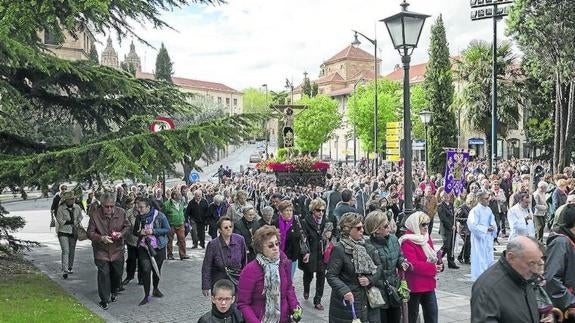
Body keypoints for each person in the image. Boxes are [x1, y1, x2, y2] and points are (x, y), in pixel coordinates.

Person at [470, 236, 551, 323]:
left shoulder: (526, 276)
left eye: (537, 263)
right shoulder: (488, 289)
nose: (535, 269)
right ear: (511, 257)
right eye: (531, 263)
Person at [236, 225, 301, 323]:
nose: (275, 248)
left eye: (277, 243)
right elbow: (243, 304)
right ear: (260, 248)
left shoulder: (283, 262)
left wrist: (295, 307)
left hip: (283, 319)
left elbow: (289, 288)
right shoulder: (249, 270)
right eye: (270, 245)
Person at [326, 212, 381, 323]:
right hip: (348, 302)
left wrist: (370, 280)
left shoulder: (367, 246)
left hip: (367, 299)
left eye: (362, 227)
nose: (362, 230)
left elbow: (378, 267)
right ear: (348, 230)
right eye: (358, 228)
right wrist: (345, 291)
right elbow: (331, 275)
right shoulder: (339, 249)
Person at [87, 192, 130, 310]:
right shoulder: (95, 215)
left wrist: (121, 234)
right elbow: (89, 233)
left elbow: (127, 226)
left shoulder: (121, 212)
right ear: (101, 205)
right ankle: (104, 299)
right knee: (104, 273)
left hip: (117, 249)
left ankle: (113, 291)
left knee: (117, 273)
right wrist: (101, 238)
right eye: (106, 206)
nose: (109, 209)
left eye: (112, 206)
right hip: (101, 250)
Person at [364, 210, 409, 323]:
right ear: (376, 229)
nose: (389, 227)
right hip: (378, 292)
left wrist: (402, 262)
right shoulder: (368, 246)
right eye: (385, 225)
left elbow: (399, 256)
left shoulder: (393, 239)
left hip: (394, 289)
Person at [399, 211, 441, 323]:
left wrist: (439, 265)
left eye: (427, 224)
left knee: (432, 315)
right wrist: (433, 268)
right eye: (423, 224)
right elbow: (413, 264)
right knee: (412, 316)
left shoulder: (425, 237)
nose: (426, 227)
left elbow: (432, 256)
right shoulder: (407, 240)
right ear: (415, 225)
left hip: (428, 283)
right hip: (415, 285)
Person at [133, 197, 170, 306]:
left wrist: (153, 231)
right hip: (144, 247)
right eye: (138, 207)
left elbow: (167, 229)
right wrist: (140, 232)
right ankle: (146, 295)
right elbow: (135, 231)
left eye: (141, 207)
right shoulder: (139, 218)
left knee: (157, 269)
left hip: (159, 247)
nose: (139, 209)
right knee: (145, 269)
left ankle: (155, 288)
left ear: (148, 207)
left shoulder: (160, 216)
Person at [544, 204, 575, 322]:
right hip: (567, 309)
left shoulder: (569, 240)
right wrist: (571, 302)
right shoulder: (560, 242)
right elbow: (552, 279)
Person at [202, 216, 248, 295]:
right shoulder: (213, 244)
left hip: (236, 280)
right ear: (220, 230)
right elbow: (207, 266)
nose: (229, 229)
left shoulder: (240, 240)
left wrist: (245, 279)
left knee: (235, 305)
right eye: (225, 227)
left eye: (230, 227)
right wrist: (206, 286)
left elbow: (244, 261)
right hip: (219, 281)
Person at [299, 198, 328, 311]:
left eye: (322, 210)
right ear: (312, 211)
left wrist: (328, 236)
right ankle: (306, 289)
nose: (321, 213)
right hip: (310, 253)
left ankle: (318, 300)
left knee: (321, 277)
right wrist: (305, 252)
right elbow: (303, 238)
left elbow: (332, 233)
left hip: (321, 254)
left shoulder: (326, 221)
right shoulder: (305, 222)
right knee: (308, 275)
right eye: (318, 210)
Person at [274, 200, 309, 279]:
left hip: (292, 257)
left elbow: (304, 237)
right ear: (281, 212)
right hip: (278, 257)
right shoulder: (276, 223)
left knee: (289, 280)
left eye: (291, 210)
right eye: (286, 210)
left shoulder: (297, 221)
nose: (289, 213)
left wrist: (306, 252)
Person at [467, 190, 497, 281]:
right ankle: (478, 277)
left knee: (488, 256)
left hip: (488, 238)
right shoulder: (475, 210)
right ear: (480, 199)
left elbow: (493, 221)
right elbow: (472, 225)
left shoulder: (489, 209)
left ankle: (487, 276)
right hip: (479, 238)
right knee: (479, 258)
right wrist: (485, 229)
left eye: (489, 198)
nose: (489, 200)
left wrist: (493, 227)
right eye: (486, 198)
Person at [55, 191, 83, 279]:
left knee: (72, 250)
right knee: (65, 250)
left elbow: (80, 216)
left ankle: (70, 267)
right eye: (70, 199)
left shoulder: (77, 207)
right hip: (63, 231)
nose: (72, 200)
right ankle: (65, 269)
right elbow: (60, 221)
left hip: (73, 231)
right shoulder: (61, 208)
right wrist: (70, 222)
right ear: (66, 200)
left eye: (73, 199)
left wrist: (77, 221)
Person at [163, 190, 189, 260]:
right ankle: (170, 255)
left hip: (180, 224)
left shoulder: (182, 202)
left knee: (182, 239)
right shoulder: (167, 204)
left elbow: (184, 210)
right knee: (169, 240)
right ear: (174, 196)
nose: (180, 196)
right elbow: (163, 214)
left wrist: (183, 219)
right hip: (170, 224)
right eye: (179, 195)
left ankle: (183, 254)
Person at [122, 197, 142, 286]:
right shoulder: (129, 212)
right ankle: (129, 276)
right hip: (131, 240)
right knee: (131, 259)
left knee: (142, 260)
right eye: (136, 203)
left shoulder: (144, 211)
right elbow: (125, 225)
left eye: (139, 203)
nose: (137, 205)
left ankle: (141, 278)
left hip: (142, 241)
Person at [437, 191, 459, 269]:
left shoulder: (451, 205)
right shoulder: (440, 206)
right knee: (446, 246)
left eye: (447, 195)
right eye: (444, 196)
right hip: (445, 229)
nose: (446, 197)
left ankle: (451, 262)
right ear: (441, 197)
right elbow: (443, 218)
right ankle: (438, 257)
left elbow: (453, 217)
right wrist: (450, 226)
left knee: (451, 246)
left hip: (453, 228)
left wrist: (455, 226)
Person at [454, 193, 476, 264]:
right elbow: (457, 218)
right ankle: (464, 257)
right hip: (463, 227)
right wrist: (466, 219)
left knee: (468, 243)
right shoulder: (462, 207)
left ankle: (464, 257)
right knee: (467, 242)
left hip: (469, 228)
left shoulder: (472, 208)